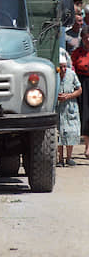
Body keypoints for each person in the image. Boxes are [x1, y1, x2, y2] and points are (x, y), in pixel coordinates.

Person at [56, 51, 82, 167]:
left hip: (70, 106)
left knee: (71, 131)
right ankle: (60, 158)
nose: (63, 69)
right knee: (58, 132)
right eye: (61, 67)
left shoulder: (71, 74)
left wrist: (68, 96)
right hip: (58, 107)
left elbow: (79, 89)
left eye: (64, 66)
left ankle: (69, 157)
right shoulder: (54, 75)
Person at [71, 27, 89, 157]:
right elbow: (72, 69)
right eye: (85, 37)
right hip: (82, 83)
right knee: (85, 114)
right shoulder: (77, 52)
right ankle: (88, 147)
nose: (87, 39)